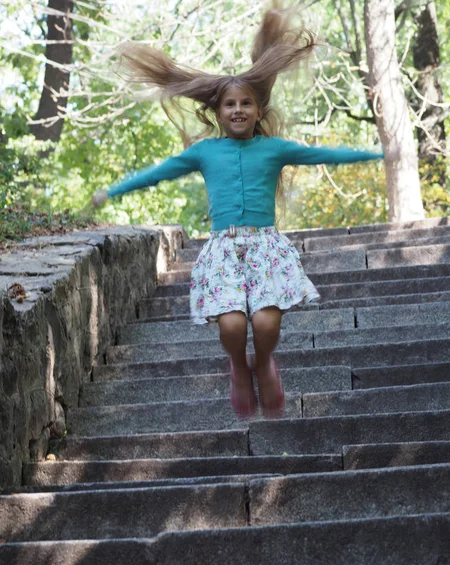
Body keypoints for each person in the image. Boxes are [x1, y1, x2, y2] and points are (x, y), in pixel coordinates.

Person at [93, 3, 384, 419]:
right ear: (217, 113)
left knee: (266, 325)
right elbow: (156, 174)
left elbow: (325, 153)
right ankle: (237, 366)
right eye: (229, 104)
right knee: (231, 326)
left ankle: (263, 363)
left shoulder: (274, 149)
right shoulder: (205, 152)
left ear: (258, 111)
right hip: (223, 251)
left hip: (265, 247)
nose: (238, 110)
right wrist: (113, 191)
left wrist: (375, 153)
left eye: (246, 103)